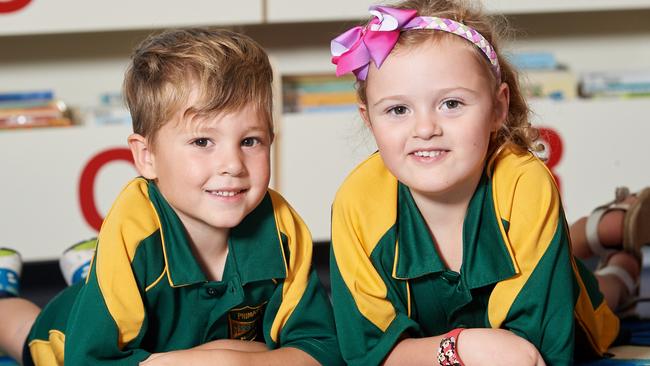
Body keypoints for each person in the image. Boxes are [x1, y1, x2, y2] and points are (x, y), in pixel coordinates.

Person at [327, 1, 650, 365]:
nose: (425, 129)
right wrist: (458, 348)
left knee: (602, 292)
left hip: (555, 298)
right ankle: (604, 226)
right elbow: (367, 353)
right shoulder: (357, 202)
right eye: (398, 110)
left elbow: (529, 352)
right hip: (471, 328)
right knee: (532, 250)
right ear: (368, 119)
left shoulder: (524, 184)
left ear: (498, 108)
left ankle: (623, 258)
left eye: (451, 103)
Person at [0, 28, 342, 366]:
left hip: (156, 334)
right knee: (25, 335)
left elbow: (322, 347)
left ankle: (91, 269)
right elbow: (90, 359)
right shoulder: (134, 229)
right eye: (202, 142)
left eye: (250, 141)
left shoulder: (282, 228)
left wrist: (240, 363)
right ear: (147, 156)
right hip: (70, 336)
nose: (233, 165)